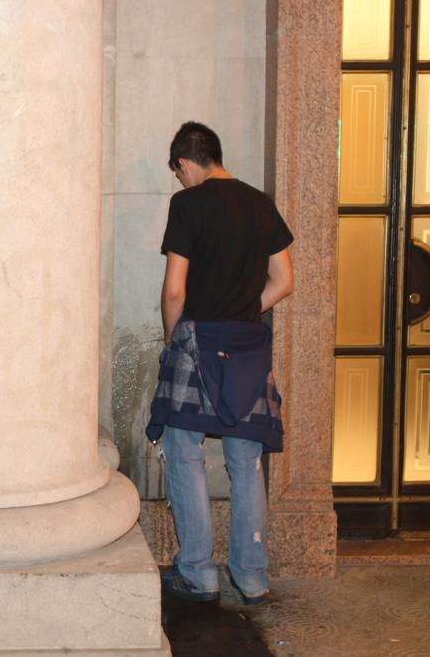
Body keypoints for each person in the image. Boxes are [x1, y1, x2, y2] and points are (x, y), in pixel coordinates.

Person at [146, 122, 294, 606]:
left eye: (177, 173)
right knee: (246, 463)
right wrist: (246, 311)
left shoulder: (187, 205)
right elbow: (284, 280)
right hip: (248, 345)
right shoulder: (260, 202)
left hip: (199, 340)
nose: (180, 182)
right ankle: (251, 578)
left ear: (185, 163)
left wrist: (175, 336)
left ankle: (198, 573)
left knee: (185, 452)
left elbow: (174, 289)